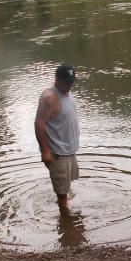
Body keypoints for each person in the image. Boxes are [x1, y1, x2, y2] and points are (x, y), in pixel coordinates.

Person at [34, 64, 80, 209]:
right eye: (67, 82)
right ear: (57, 80)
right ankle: (65, 220)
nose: (70, 84)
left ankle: (67, 211)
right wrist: (45, 152)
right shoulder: (50, 98)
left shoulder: (67, 92)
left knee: (66, 186)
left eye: (71, 81)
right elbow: (39, 123)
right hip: (58, 153)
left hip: (69, 150)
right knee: (61, 194)